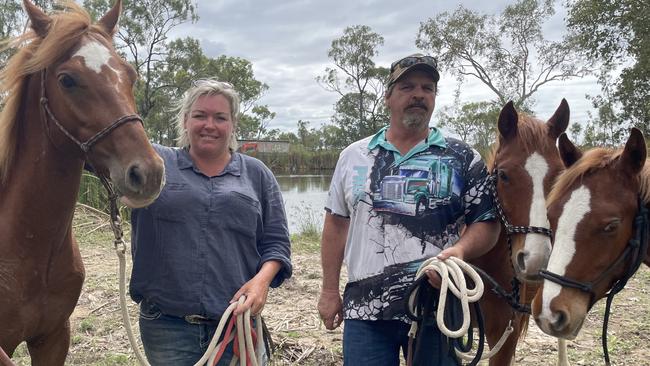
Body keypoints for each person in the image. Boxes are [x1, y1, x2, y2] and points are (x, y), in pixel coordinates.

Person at [317, 54, 500, 365]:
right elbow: (336, 224)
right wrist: (329, 290)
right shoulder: (354, 156)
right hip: (366, 308)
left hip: (439, 305)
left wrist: (460, 252)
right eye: (407, 86)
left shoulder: (462, 158)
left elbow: (487, 223)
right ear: (388, 97)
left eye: (428, 88)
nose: (418, 94)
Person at [129, 79, 292, 366]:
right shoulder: (155, 162)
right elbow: (94, 149)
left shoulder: (257, 174)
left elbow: (276, 243)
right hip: (167, 327)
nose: (210, 125)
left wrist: (261, 282)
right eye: (200, 115)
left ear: (233, 125)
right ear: (185, 120)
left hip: (235, 324)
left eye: (220, 117)